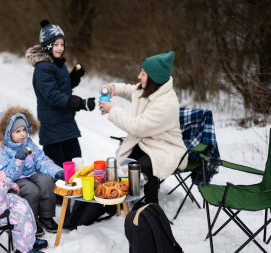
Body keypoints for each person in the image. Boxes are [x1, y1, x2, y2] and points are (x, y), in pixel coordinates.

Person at [98, 51, 188, 204]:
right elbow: (132, 91)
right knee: (124, 162)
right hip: (146, 141)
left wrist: (112, 109)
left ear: (153, 78)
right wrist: (114, 88)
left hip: (165, 147)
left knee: (145, 165)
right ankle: (115, 197)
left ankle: (151, 205)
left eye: (143, 74)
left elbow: (137, 126)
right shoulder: (152, 88)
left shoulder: (166, 104)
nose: (139, 77)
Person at [25, 19, 96, 167]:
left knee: (76, 164)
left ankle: (76, 189)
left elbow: (63, 87)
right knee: (58, 169)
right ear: (47, 46)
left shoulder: (57, 64)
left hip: (66, 124)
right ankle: (57, 190)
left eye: (62, 44)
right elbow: (53, 95)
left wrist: (75, 76)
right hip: (53, 129)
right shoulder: (42, 68)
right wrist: (80, 103)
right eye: (56, 44)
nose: (60, 48)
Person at [0, 105, 64, 236]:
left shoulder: (28, 143)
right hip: (15, 180)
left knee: (46, 181)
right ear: (7, 133)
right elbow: (7, 175)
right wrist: (18, 159)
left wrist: (57, 171)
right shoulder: (2, 149)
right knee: (30, 190)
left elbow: (41, 159)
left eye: (24, 130)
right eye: (17, 131)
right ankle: (31, 220)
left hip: (31, 173)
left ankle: (46, 216)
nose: (23, 134)